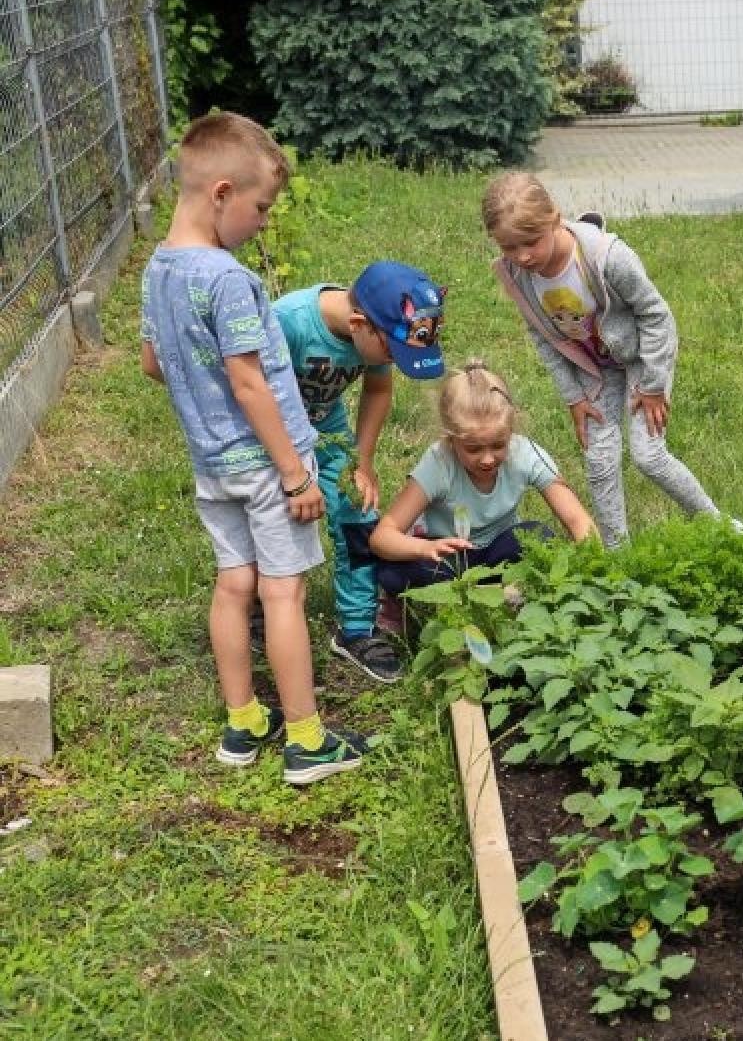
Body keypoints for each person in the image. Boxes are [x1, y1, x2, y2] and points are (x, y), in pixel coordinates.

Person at [138, 111, 366, 786]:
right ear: (222, 194)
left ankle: (244, 723)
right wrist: (296, 475)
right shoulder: (227, 277)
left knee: (233, 586)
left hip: (212, 464)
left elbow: (154, 363)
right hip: (268, 465)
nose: (264, 221)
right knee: (284, 595)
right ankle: (306, 740)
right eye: (261, 206)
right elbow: (248, 380)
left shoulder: (159, 269)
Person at [481, 172, 732, 548]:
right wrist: (574, 397)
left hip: (639, 360)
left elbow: (656, 315)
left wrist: (652, 385)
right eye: (508, 247)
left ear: (554, 218)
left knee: (649, 457)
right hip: (594, 370)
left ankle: (720, 526)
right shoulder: (519, 274)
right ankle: (618, 556)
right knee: (599, 462)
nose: (522, 256)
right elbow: (543, 335)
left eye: (530, 243)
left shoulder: (606, 257)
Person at [270, 261, 446, 683]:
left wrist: (361, 463)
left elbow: (378, 389)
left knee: (359, 512)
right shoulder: (287, 324)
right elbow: (252, 393)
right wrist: (293, 471)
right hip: (269, 439)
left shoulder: (377, 331)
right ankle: (262, 609)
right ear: (358, 325)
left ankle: (357, 628)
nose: (393, 361)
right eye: (392, 352)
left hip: (327, 433)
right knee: (275, 519)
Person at [368, 359, 597, 592]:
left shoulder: (525, 454)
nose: (488, 459)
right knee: (392, 574)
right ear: (450, 439)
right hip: (450, 555)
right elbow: (382, 537)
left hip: (501, 550)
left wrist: (595, 568)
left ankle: (498, 592)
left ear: (511, 430)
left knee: (540, 537)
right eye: (473, 448)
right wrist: (425, 549)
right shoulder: (439, 463)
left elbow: (577, 520)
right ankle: (485, 592)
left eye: (498, 445)